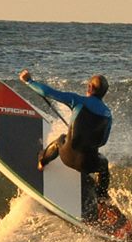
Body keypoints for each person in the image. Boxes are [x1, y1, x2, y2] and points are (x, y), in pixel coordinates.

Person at [19, 69, 112, 203]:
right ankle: (101, 196)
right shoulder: (108, 115)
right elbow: (102, 142)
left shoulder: (78, 101)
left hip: (67, 157)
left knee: (61, 140)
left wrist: (28, 81)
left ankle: (42, 161)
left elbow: (48, 92)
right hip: (88, 164)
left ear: (90, 87)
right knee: (104, 165)